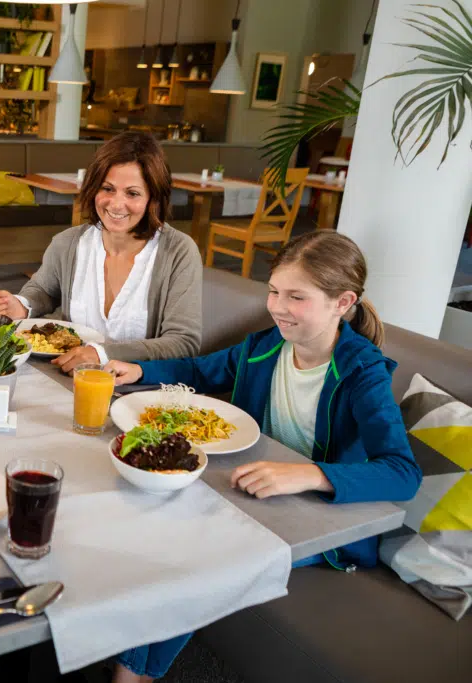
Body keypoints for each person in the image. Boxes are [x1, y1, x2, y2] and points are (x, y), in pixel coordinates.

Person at [104, 231, 422, 683]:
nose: (277, 306)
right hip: (254, 493)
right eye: (274, 291)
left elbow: (403, 473)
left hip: (319, 521)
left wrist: (308, 475)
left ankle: (133, 674)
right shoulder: (265, 346)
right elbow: (200, 369)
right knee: (153, 525)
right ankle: (133, 667)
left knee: (193, 558)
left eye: (296, 297)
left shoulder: (362, 372)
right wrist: (141, 370)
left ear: (341, 302)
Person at [0, 132, 202, 374]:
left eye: (132, 193)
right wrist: (23, 305)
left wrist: (101, 353)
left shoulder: (179, 252)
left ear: (153, 198)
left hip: (139, 390)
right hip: (66, 377)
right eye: (108, 189)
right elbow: (43, 290)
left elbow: (184, 343)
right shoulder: (68, 243)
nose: (116, 204)